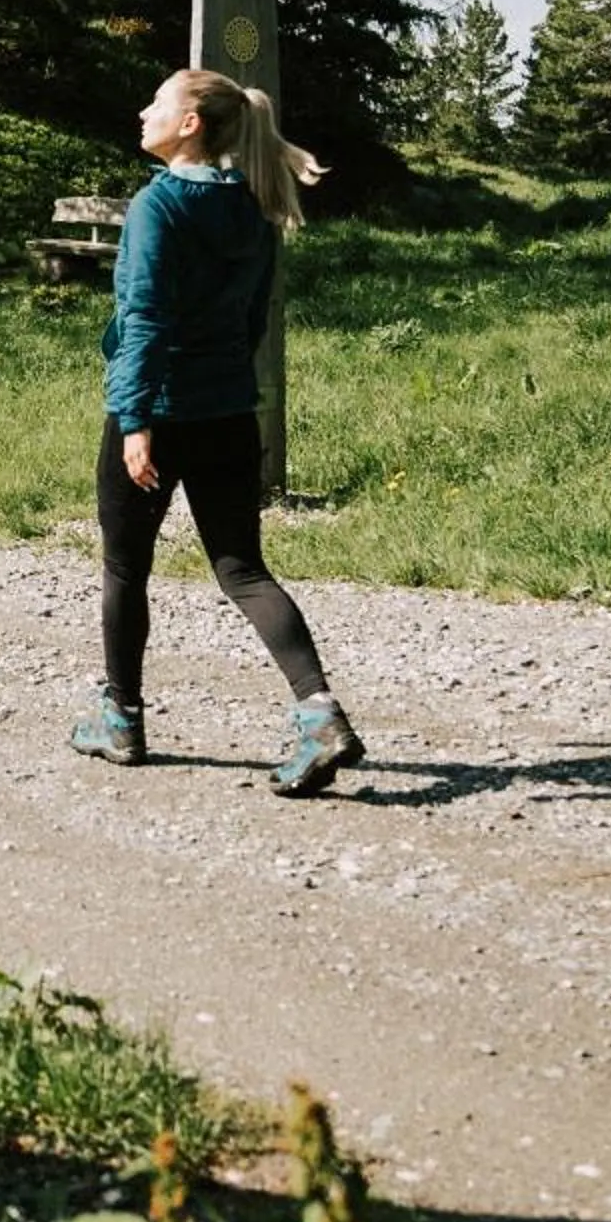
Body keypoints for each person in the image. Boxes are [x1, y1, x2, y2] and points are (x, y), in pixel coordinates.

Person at [70, 67, 364, 796]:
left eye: (158, 103)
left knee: (126, 568)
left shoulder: (158, 204)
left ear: (191, 123)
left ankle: (121, 719)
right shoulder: (255, 207)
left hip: (162, 413)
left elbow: (144, 317)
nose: (143, 112)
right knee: (244, 571)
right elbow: (252, 320)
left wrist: (135, 420)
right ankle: (318, 713)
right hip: (230, 411)